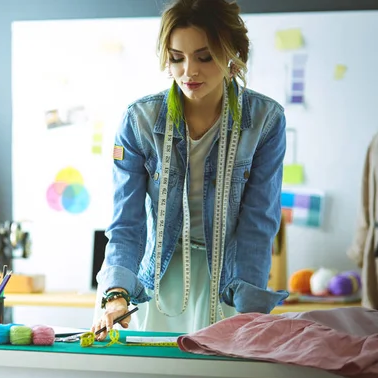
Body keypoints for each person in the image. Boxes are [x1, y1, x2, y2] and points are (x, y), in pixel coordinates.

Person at [92, 0, 289, 340]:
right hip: (154, 281)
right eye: (176, 58)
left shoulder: (265, 121)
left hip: (229, 280)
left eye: (204, 56)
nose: (188, 72)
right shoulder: (139, 121)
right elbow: (127, 223)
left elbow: (259, 222)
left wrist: (252, 304)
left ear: (232, 55)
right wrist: (116, 294)